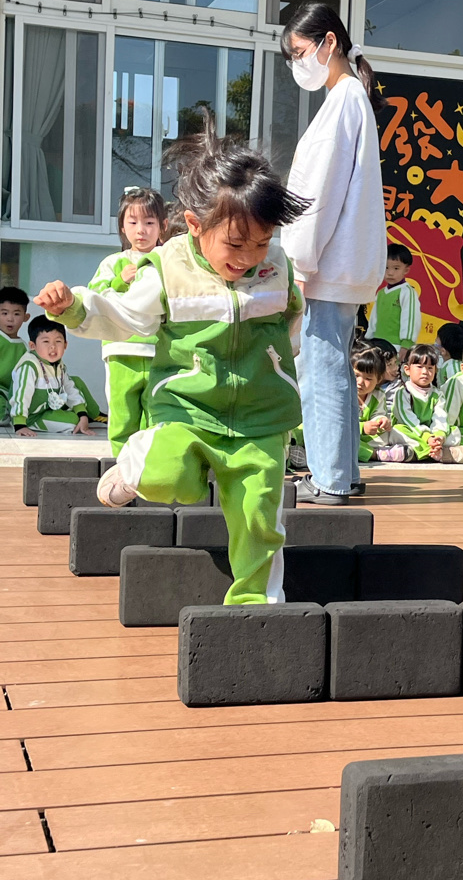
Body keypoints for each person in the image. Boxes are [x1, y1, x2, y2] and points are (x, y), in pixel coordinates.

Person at [33, 114, 310, 605]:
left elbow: (291, 323)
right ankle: (134, 465)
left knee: (259, 517)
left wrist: (276, 368)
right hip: (187, 408)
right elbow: (122, 316)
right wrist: (73, 307)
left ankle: (256, 607)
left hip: (260, 418)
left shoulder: (277, 268)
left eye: (262, 242)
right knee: (167, 477)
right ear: (196, 225)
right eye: (236, 244)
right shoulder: (167, 267)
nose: (250, 256)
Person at [280, 1, 387, 506]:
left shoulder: (342, 101)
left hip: (327, 262)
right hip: (344, 262)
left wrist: (300, 261)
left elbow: (317, 195)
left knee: (320, 371)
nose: (297, 64)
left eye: (300, 52)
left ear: (329, 42)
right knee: (334, 368)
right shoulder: (351, 97)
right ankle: (341, 472)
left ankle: (329, 479)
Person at [88, 187, 167, 455]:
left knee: (159, 415)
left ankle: (153, 467)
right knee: (122, 413)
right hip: (121, 350)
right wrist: (119, 282)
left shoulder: (167, 262)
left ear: (163, 226)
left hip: (161, 352)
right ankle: (121, 466)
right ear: (122, 226)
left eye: (149, 222)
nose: (141, 230)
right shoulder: (113, 262)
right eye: (133, 222)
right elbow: (94, 296)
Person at [11, 317, 97, 437]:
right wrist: (20, 424)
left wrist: (82, 415)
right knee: (73, 421)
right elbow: (21, 396)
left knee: (75, 383)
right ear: (32, 345)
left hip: (48, 410)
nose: (52, 346)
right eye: (46, 341)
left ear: (65, 345)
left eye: (58, 341)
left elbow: (70, 389)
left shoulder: (58, 364)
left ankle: (91, 416)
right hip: (32, 417)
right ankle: (28, 422)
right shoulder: (29, 366)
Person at [390, 344, 463, 463]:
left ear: (435, 370)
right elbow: (408, 419)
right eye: (419, 367)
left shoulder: (437, 394)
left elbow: (440, 417)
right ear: (407, 369)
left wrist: (439, 436)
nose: (425, 372)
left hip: (431, 434)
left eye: (430, 368)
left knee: (454, 432)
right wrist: (427, 437)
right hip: (414, 431)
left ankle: (424, 451)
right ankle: (439, 453)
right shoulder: (403, 392)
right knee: (397, 431)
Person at [354, 347, 412, 463]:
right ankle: (375, 454)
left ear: (379, 379)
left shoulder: (378, 394)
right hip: (352, 434)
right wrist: (362, 427)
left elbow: (379, 414)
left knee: (395, 432)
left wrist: (381, 421)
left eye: (368, 378)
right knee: (346, 440)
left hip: (369, 438)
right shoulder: (346, 394)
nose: (360, 382)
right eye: (356, 376)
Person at [365, 243, 421, 360]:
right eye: (386, 268)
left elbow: (410, 319)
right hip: (377, 345)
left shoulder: (407, 292)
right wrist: (369, 339)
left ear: (406, 270)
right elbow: (374, 319)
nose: (390, 273)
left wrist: (406, 344)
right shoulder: (381, 293)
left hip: (396, 347)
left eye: (396, 268)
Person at [0, 286, 31, 424]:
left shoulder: (25, 348)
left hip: (11, 394)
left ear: (26, 317)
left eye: (16, 314)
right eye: (4, 313)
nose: (10, 319)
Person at [436, 322, 463, 386]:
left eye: (436, 344)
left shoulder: (452, 367)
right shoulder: (450, 364)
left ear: (443, 351)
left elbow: (458, 387)